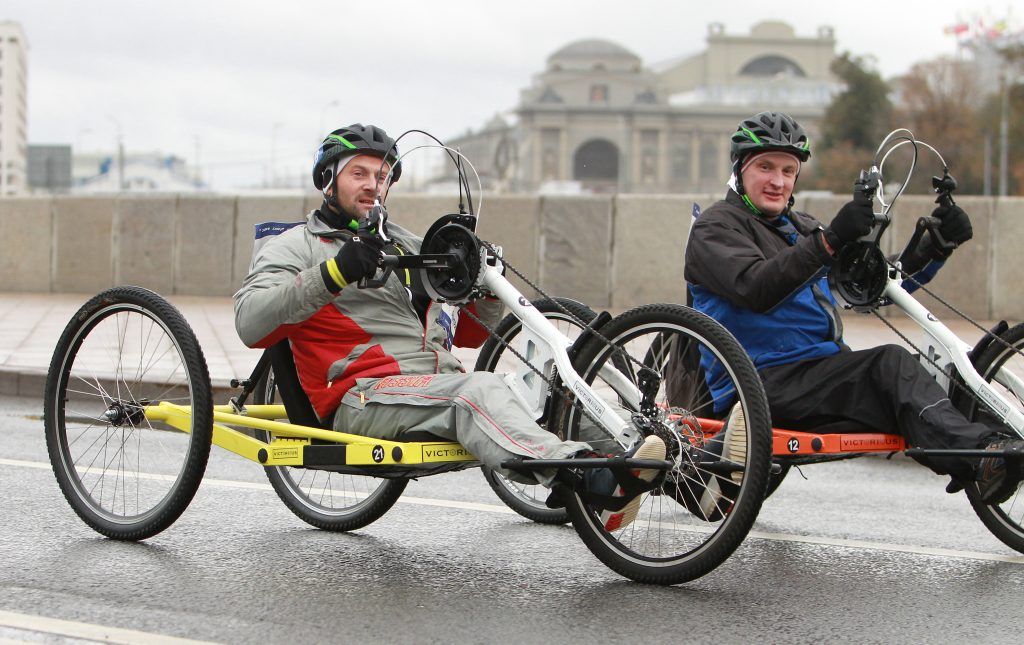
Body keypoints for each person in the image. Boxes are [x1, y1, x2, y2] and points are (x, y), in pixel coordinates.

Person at [234, 123, 664, 530]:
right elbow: (251, 322)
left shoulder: (403, 244)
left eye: (382, 176)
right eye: (358, 173)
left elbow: (470, 334)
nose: (372, 185)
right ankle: (583, 475)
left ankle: (693, 478)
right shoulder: (294, 246)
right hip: (362, 396)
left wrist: (485, 292)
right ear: (328, 179)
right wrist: (335, 272)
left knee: (553, 402)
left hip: (432, 385)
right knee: (477, 390)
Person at [683, 110, 1024, 504]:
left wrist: (934, 248)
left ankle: (1003, 451)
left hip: (819, 377)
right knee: (890, 365)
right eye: (765, 167)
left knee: (943, 387)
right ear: (741, 169)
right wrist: (830, 241)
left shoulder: (801, 228)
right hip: (759, 381)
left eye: (788, 171)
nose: (778, 181)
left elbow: (864, 288)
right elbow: (757, 287)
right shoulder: (716, 227)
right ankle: (983, 459)